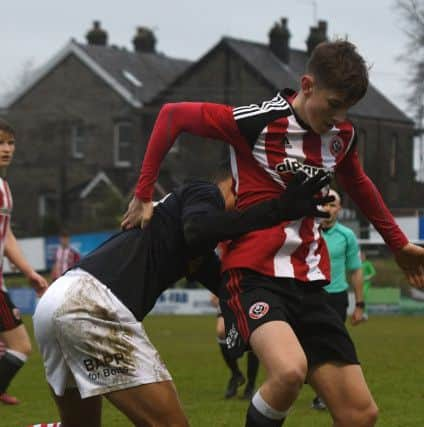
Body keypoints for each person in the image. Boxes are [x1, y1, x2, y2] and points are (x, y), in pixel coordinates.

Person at [122, 39, 424, 427]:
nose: (338, 118)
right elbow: (171, 116)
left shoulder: (341, 137)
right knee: (289, 372)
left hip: (311, 282)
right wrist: (144, 193)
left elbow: (361, 186)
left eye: (347, 110)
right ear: (307, 85)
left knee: (361, 414)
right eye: (333, 105)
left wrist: (398, 245)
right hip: (254, 276)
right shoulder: (257, 121)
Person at [32, 166, 331, 427]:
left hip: (59, 299)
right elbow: (198, 230)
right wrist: (277, 209)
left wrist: (284, 335)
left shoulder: (189, 234)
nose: (249, 208)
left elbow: (229, 288)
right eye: (250, 198)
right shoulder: (205, 193)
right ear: (233, 183)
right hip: (90, 305)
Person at [0, 119, 48, 405]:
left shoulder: (4, 187)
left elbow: (6, 236)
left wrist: (28, 270)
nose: (6, 149)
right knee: (20, 347)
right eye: (0, 142)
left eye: (10, 143)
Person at [311, 188, 365, 410]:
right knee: (310, 347)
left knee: (330, 347)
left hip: (336, 298)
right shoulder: (307, 233)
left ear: (339, 209)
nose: (328, 209)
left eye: (333, 205)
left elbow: (355, 270)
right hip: (310, 297)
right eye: (324, 204)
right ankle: (318, 389)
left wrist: (360, 304)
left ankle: (325, 394)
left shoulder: (347, 236)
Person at [211, 293, 259, 399]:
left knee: (253, 335)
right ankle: (236, 374)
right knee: (221, 331)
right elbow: (213, 301)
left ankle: (250, 386)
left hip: (252, 291)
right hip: (229, 294)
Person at [361, 250, 376, 318]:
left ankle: (365, 313)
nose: (361, 257)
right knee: (360, 297)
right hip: (359, 283)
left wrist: (367, 277)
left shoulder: (368, 263)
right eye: (360, 256)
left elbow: (373, 272)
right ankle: (360, 312)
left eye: (362, 256)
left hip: (366, 283)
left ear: (365, 257)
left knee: (364, 296)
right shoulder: (358, 264)